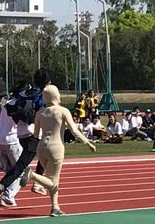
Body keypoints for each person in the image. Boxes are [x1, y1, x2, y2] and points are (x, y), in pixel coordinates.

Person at [20, 85, 97, 216]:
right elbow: (74, 130)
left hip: (41, 147)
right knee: (53, 181)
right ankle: (32, 176)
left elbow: (36, 134)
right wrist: (87, 142)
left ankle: (55, 206)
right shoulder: (63, 111)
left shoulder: (40, 112)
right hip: (56, 147)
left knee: (52, 179)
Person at [0, 69, 51, 209]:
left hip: (21, 134)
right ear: (47, 83)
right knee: (20, 166)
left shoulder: (24, 94)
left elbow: (13, 109)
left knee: (43, 153)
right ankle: (0, 189)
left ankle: (35, 180)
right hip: (33, 134)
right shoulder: (42, 96)